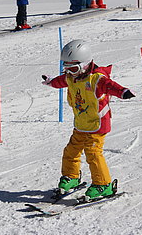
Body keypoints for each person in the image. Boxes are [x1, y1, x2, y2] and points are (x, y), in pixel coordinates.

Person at [41, 40, 135, 200]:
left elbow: (110, 85)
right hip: (81, 124)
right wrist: (51, 81)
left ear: (85, 64)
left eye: (73, 68)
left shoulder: (96, 79)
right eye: (66, 68)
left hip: (97, 125)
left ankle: (103, 185)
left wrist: (123, 92)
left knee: (93, 153)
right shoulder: (72, 78)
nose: (69, 73)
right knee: (70, 151)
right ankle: (72, 177)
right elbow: (61, 81)